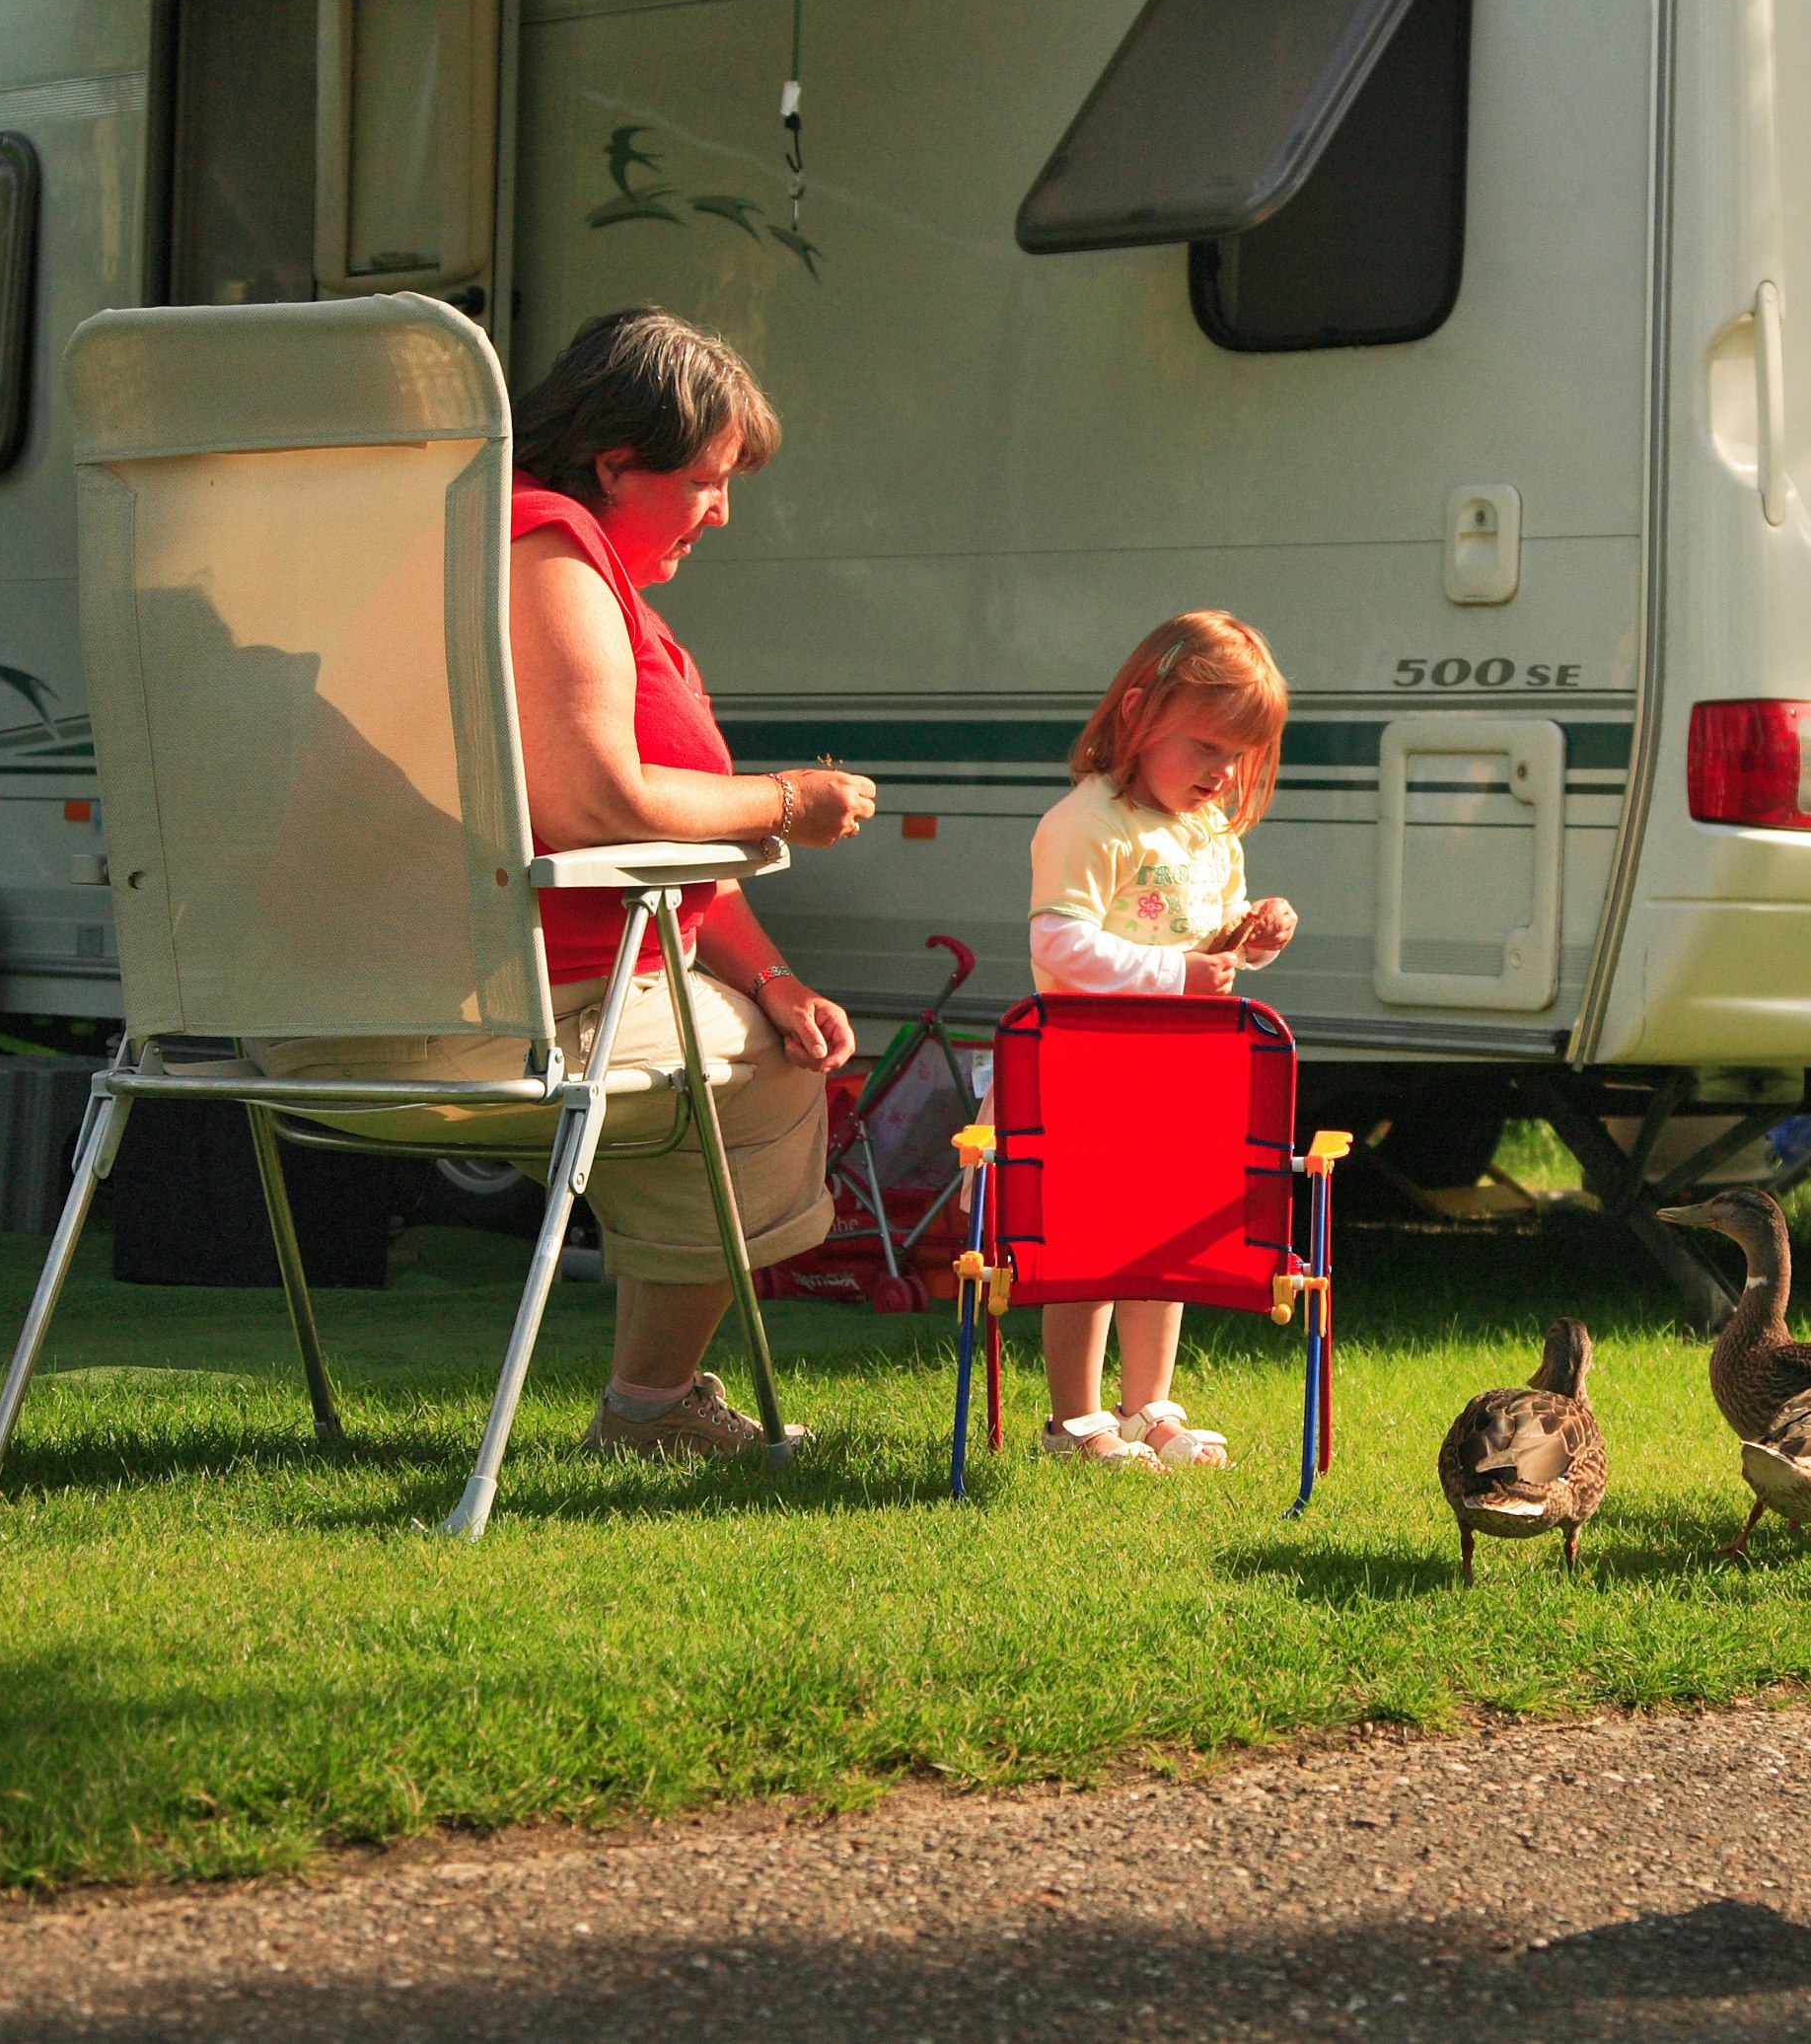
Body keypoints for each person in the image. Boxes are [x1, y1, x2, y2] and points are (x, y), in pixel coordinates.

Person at [273, 310, 875, 1459]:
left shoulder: (530, 558)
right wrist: (787, 800)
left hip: (311, 1000)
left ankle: (655, 1401)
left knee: (764, 1025)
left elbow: (664, 856)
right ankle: (650, 1408)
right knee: (764, 1075)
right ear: (615, 464)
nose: (724, 510)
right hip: (474, 1016)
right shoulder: (542, 546)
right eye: (706, 480)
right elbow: (599, 808)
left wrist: (775, 972)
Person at [1022, 611, 1299, 1470]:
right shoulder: (1088, 822)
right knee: (1090, 1251)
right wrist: (1178, 975)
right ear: (1137, 716)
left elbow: (1205, 952)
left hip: (1178, 1075)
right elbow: (1056, 945)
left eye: (1236, 756)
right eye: (1205, 747)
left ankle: (1147, 1406)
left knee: (1163, 1242)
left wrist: (1247, 939)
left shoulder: (1207, 833)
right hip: (1088, 1072)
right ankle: (1074, 1419)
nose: (1221, 773)